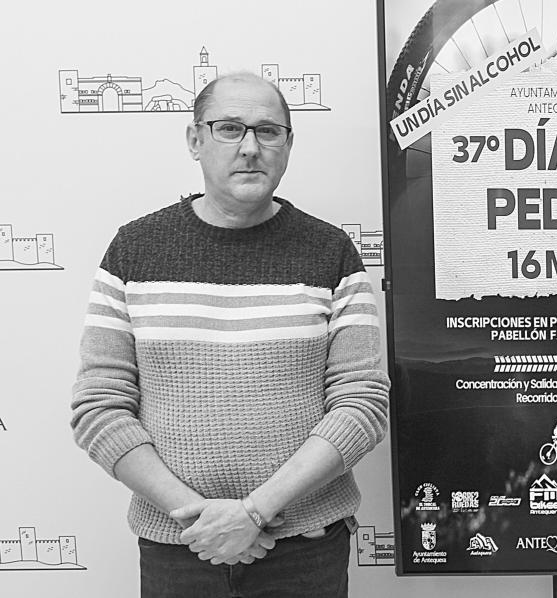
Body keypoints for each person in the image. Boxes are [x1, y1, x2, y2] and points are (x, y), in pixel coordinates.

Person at [71, 72, 389, 597]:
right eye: (229, 128)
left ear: (288, 145)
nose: (250, 147)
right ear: (195, 140)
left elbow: (362, 404)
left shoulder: (331, 253)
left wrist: (254, 513)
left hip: (306, 551)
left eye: (268, 131)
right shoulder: (134, 250)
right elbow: (100, 407)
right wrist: (200, 518)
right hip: (180, 547)